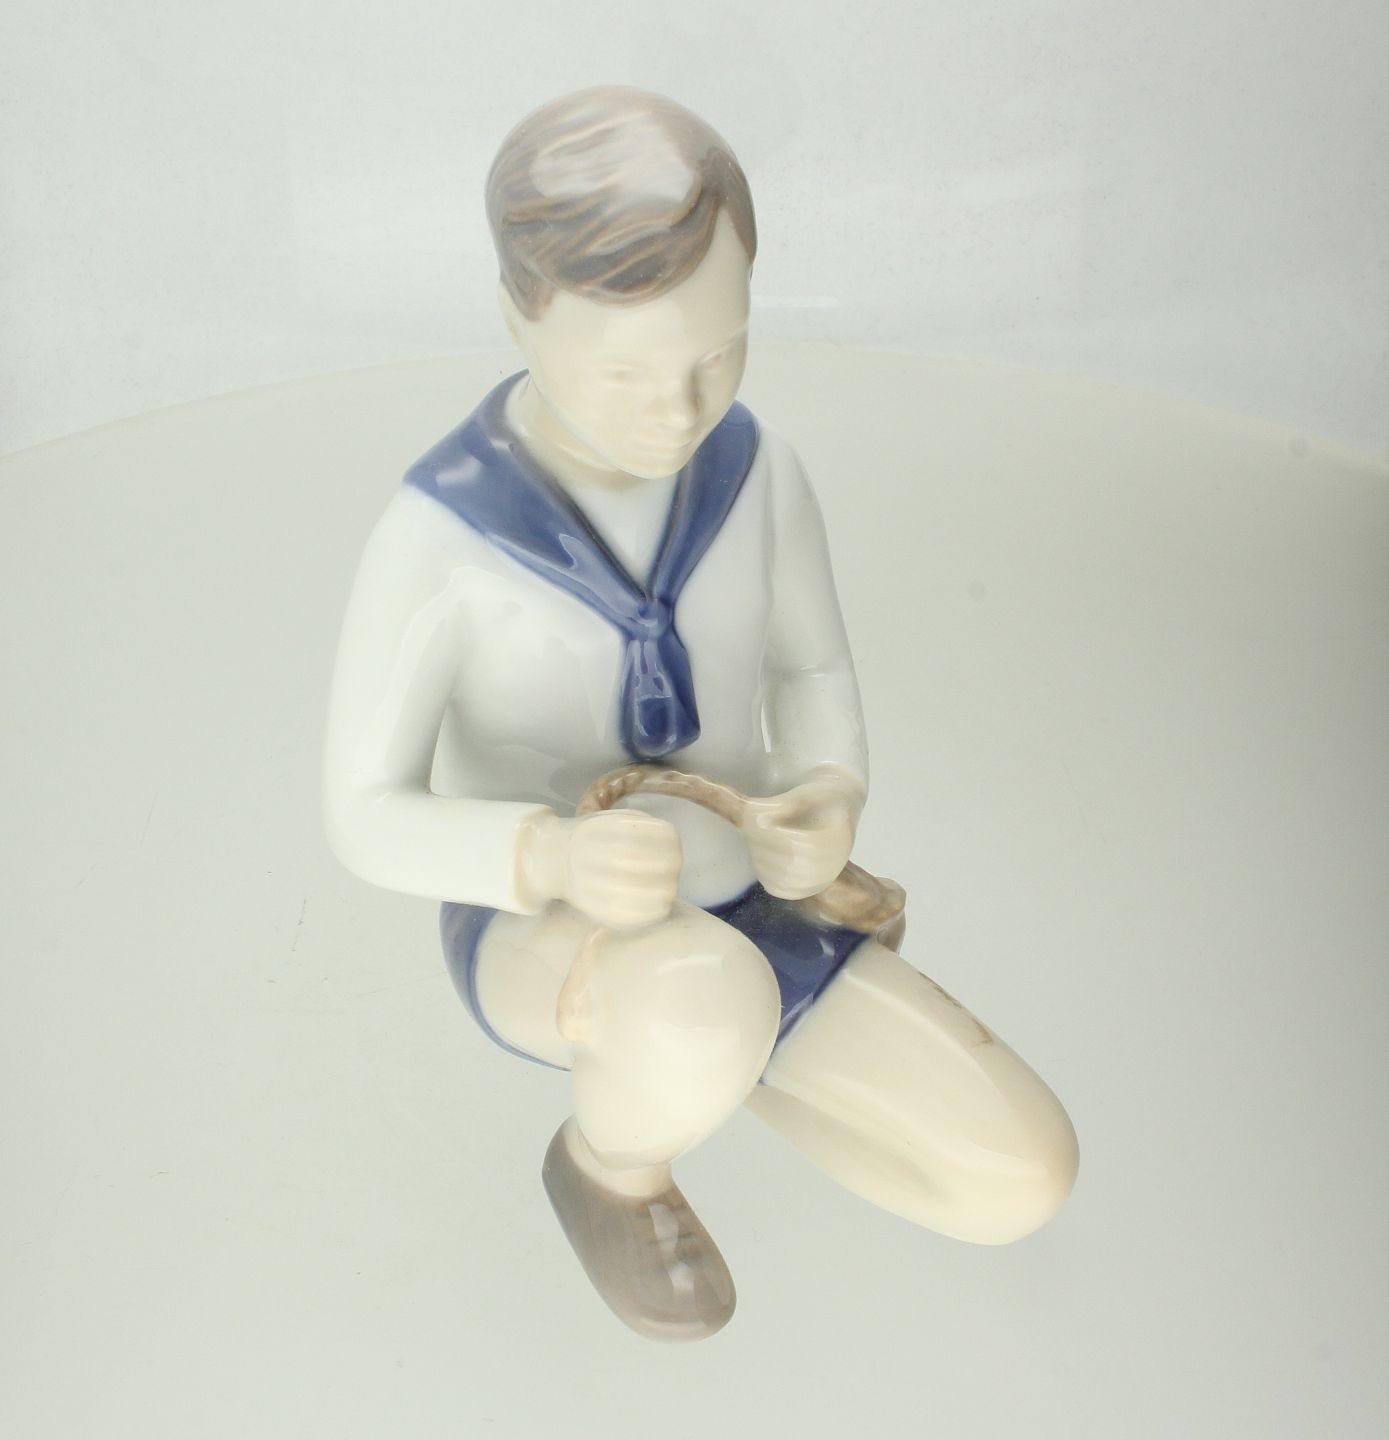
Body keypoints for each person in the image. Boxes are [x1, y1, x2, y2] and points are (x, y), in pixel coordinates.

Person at [323, 86, 1078, 1342]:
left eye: (717, 354)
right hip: (551, 928)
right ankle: (614, 1165)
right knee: (694, 994)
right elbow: (362, 813)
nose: (678, 411)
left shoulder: (757, 472)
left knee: (1018, 1176)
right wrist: (549, 856)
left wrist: (826, 793)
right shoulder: (438, 538)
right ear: (517, 315)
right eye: (623, 370)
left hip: (746, 898)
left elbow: (812, 676)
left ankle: (718, 1060)